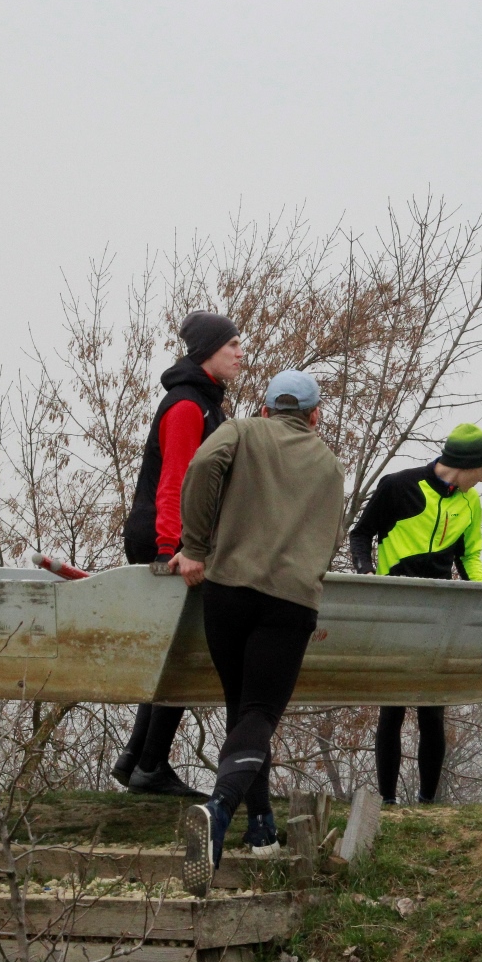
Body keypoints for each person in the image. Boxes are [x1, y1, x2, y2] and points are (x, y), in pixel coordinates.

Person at [171, 369, 346, 894]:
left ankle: (262, 824)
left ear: (267, 409)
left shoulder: (242, 430)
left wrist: (195, 545)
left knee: (242, 709)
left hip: (226, 591)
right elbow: (332, 538)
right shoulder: (329, 464)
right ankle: (220, 810)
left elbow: (203, 464)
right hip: (289, 601)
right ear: (315, 416)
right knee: (259, 713)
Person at [110, 311, 244, 798]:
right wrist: (177, 550)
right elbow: (175, 483)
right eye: (231, 345)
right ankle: (150, 765)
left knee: (173, 651)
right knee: (186, 651)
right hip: (166, 539)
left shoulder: (208, 404)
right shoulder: (188, 405)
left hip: (176, 538)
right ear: (207, 351)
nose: (240, 353)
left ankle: (137, 759)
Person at [348, 424, 482, 805]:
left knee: (432, 710)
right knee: (392, 708)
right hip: (395, 608)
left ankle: (428, 803)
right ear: (466, 464)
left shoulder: (470, 501)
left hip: (441, 613)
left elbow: (469, 556)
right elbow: (360, 534)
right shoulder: (398, 485)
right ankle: (388, 801)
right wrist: (366, 571)